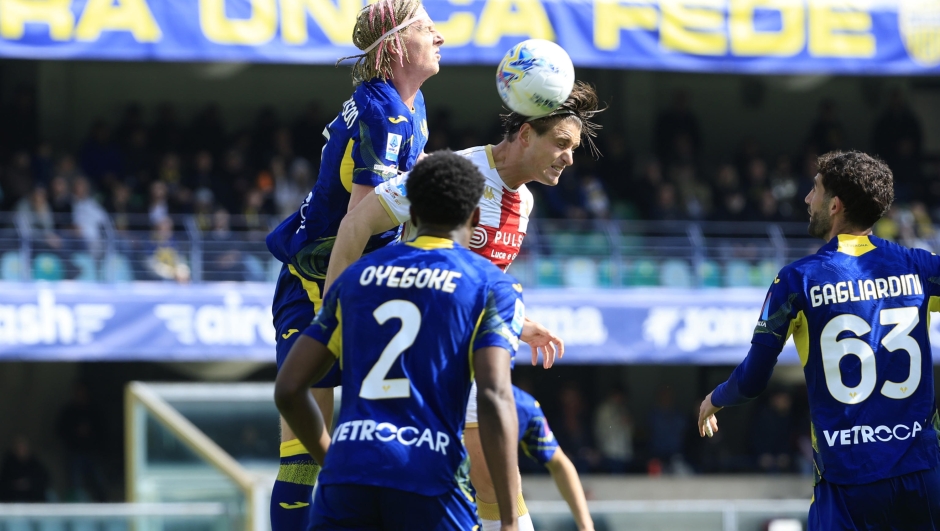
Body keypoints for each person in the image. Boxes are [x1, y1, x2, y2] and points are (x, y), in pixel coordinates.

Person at [324, 82, 603, 531]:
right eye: (562, 143)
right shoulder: (454, 174)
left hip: (470, 349)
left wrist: (521, 321)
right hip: (424, 353)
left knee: (490, 481)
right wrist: (332, 313)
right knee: (486, 480)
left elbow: (478, 278)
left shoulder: (525, 202)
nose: (570, 157)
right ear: (527, 134)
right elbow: (358, 221)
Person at [263, 1, 443, 528]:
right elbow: (360, 222)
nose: (440, 36)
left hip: (359, 282)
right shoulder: (380, 111)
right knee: (301, 456)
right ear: (394, 47)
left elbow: (405, 189)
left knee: (373, 442)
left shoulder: (414, 104)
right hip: (320, 283)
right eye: (427, 29)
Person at [274, 151, 522, 530]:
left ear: (412, 215)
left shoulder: (356, 279)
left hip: (349, 478)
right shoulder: (489, 285)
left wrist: (333, 457)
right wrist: (508, 519)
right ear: (474, 218)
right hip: (428, 480)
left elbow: (290, 389)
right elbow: (493, 397)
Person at [697, 151, 940, 530]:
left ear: (836, 205)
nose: (807, 200)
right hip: (923, 476)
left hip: (848, 482)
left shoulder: (797, 282)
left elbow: (752, 380)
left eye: (815, 190)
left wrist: (716, 398)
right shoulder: (922, 268)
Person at [508, 385, 594, 531]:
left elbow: (560, 464)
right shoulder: (458, 400)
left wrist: (586, 526)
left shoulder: (523, 406)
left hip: (507, 517)